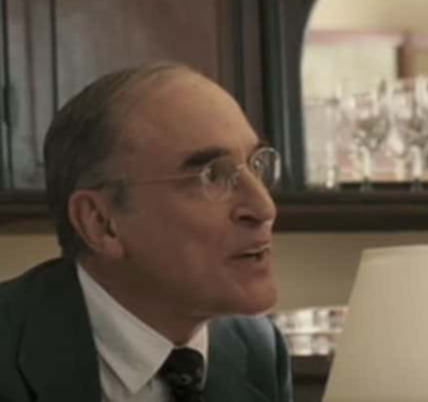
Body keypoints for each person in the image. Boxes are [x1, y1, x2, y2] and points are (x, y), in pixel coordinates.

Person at [0, 63, 293, 401]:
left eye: (256, 165)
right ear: (101, 223)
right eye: (212, 176)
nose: (264, 208)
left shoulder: (257, 347)